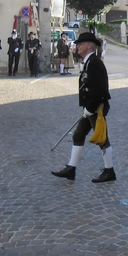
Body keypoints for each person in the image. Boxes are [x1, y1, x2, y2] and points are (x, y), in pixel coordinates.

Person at [51, 32, 115, 183]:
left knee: (101, 138)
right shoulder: (89, 62)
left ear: (89, 46)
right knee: (78, 135)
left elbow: (100, 89)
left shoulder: (94, 63)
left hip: (96, 107)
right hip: (90, 106)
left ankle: (109, 171)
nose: (77, 46)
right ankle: (71, 169)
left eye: (80, 44)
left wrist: (90, 108)